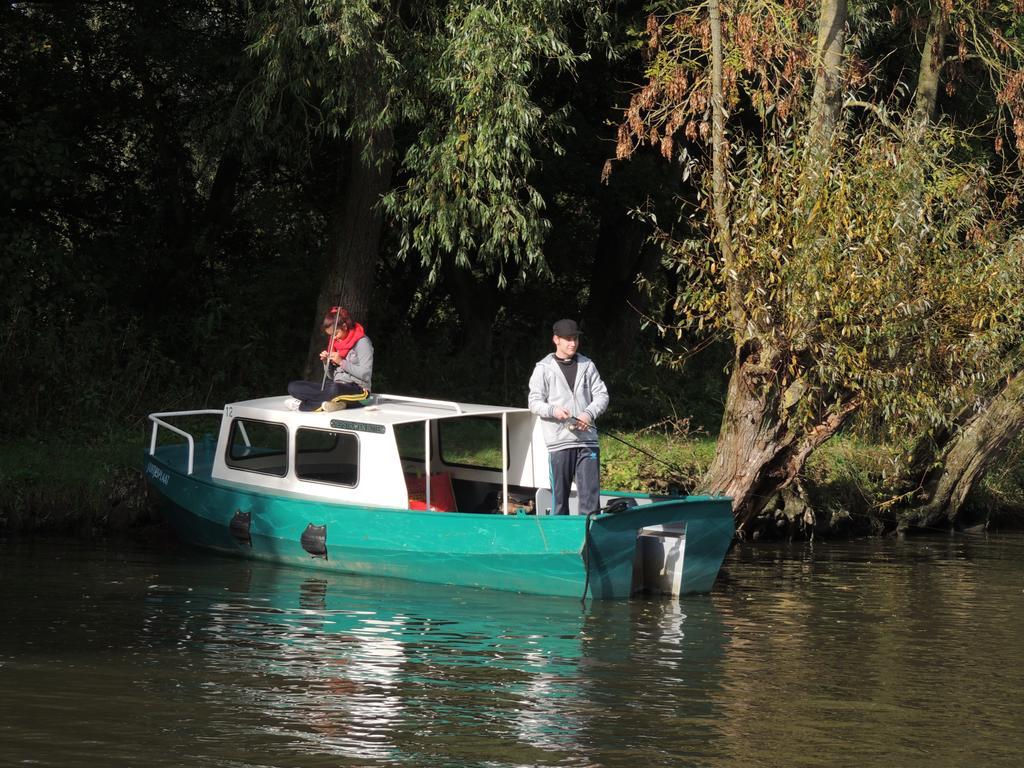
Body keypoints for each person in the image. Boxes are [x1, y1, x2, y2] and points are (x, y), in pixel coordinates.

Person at [528, 318, 609, 515]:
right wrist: (553, 410)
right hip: (559, 443)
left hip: (587, 441)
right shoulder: (543, 368)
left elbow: (602, 395)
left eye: (575, 339)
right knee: (560, 502)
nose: (573, 343)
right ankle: (561, 542)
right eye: (568, 339)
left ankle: (589, 542)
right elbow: (534, 402)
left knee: (591, 503)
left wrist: (588, 414)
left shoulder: (588, 365)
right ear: (556, 339)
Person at [286, 307, 374, 412]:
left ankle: (301, 406)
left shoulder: (362, 342)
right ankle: (337, 404)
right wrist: (325, 362)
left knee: (334, 390)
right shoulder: (335, 344)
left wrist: (341, 362)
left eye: (335, 334)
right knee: (294, 386)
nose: (334, 338)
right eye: (331, 335)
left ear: (344, 326)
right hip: (336, 386)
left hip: (359, 392)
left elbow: (366, 374)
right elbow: (331, 376)